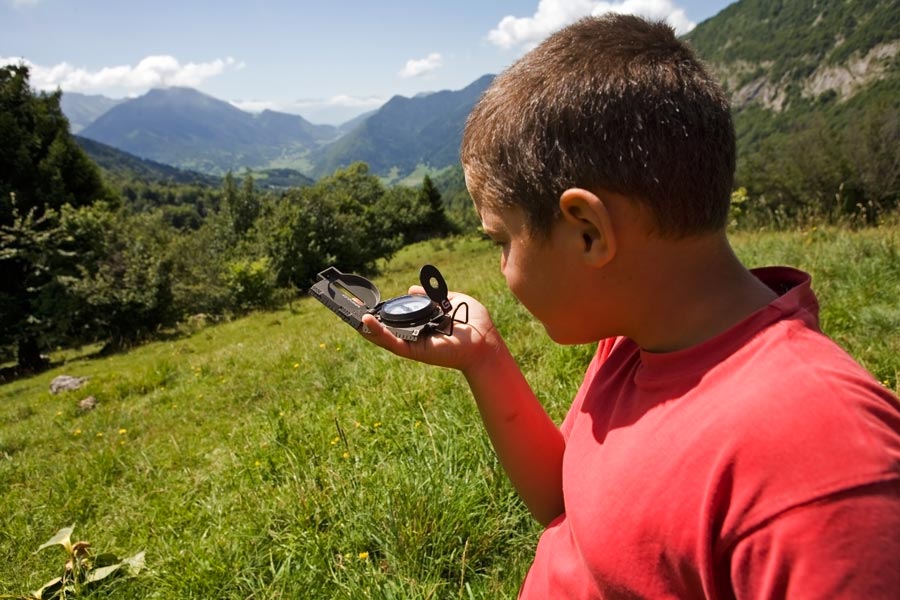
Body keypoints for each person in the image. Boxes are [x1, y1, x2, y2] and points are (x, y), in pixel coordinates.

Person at [360, 14, 900, 599]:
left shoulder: (818, 468)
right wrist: (484, 359)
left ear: (588, 232)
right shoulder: (638, 338)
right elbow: (566, 503)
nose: (503, 268)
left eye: (501, 241)